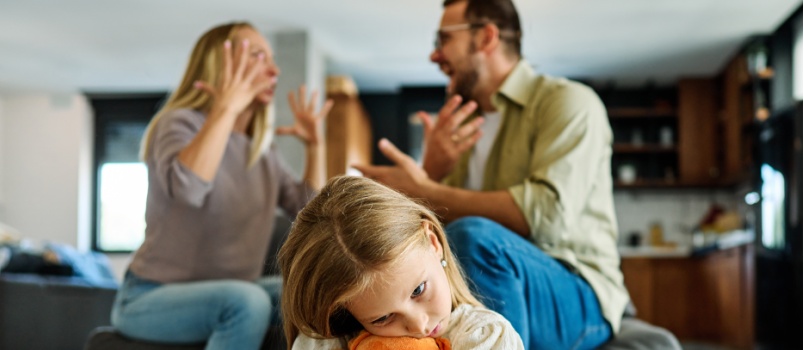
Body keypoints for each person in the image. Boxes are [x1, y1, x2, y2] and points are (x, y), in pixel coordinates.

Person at [353, 0, 629, 348]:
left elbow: (545, 217)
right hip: (491, 276)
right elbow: (436, 235)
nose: (434, 57)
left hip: (579, 291)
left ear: (486, 37)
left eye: (442, 41)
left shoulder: (569, 102)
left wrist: (427, 189)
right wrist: (432, 173)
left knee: (476, 237)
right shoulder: (462, 126)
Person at [110, 22, 332, 349]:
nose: (274, 69)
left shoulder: (261, 148)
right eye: (258, 56)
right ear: (220, 66)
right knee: (246, 302)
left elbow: (310, 211)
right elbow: (189, 189)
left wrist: (315, 148)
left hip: (234, 287)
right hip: (148, 297)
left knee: (319, 291)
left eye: (271, 59)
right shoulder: (180, 123)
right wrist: (226, 107)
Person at [278, 176, 524, 350]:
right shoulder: (324, 343)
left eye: (418, 290)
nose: (419, 325)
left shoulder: (489, 339)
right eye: (382, 318)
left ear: (433, 242)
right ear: (345, 314)